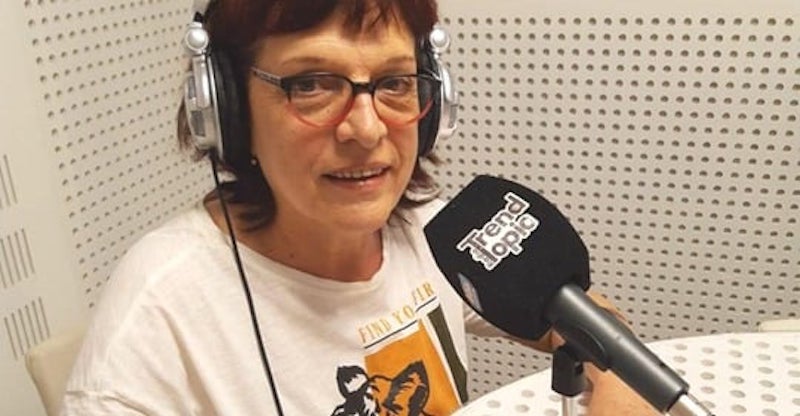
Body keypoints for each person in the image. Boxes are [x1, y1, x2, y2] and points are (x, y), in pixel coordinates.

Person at [61, 0, 658, 415]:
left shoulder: (434, 231)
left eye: (394, 83)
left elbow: (587, 320)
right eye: (311, 84)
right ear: (227, 109)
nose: (367, 129)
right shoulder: (158, 318)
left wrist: (622, 398)